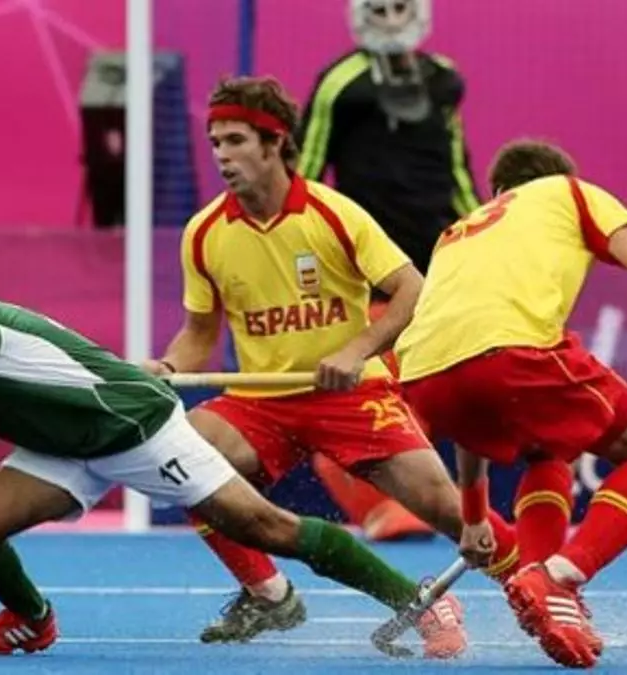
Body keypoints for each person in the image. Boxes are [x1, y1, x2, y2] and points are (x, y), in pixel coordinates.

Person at [0, 221, 465, 658]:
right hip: (63, 446)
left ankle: (421, 602)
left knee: (264, 525)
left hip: (134, 425)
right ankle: (32, 620)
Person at [144, 74, 519, 650]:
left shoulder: (334, 213)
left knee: (452, 511)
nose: (221, 155)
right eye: (215, 142)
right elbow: (198, 335)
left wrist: (355, 350)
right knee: (181, 459)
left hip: (353, 395)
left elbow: (412, 289)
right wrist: (170, 368)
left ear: (275, 143)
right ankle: (267, 593)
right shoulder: (204, 234)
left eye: (236, 141)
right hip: (261, 402)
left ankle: (545, 595)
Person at [395, 139, 627, 668]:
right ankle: (560, 576)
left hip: (427, 380)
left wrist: (474, 516)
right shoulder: (568, 191)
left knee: (545, 452)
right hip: (513, 355)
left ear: (497, 192)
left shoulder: (458, 233)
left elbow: (468, 380)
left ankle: (543, 596)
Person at [291, 0, 491, 542]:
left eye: (400, 6)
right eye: (378, 7)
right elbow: (306, 171)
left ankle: (462, 508)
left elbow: (457, 169)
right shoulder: (339, 83)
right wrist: (295, 249)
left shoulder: (444, 79)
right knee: (357, 396)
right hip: (368, 272)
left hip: (438, 266)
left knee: (450, 386)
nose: (390, 17)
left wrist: (483, 237)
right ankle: (386, 507)